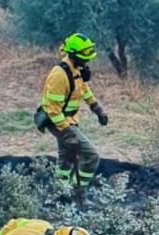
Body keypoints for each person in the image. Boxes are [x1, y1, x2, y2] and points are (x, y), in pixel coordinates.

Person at [39, 33, 108, 206]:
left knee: (67, 157)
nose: (87, 62)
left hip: (69, 120)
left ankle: (60, 195)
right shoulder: (59, 75)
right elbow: (51, 107)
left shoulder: (75, 70)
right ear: (73, 54)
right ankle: (78, 194)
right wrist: (66, 130)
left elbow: (83, 89)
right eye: (84, 58)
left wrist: (97, 109)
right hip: (58, 121)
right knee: (92, 156)